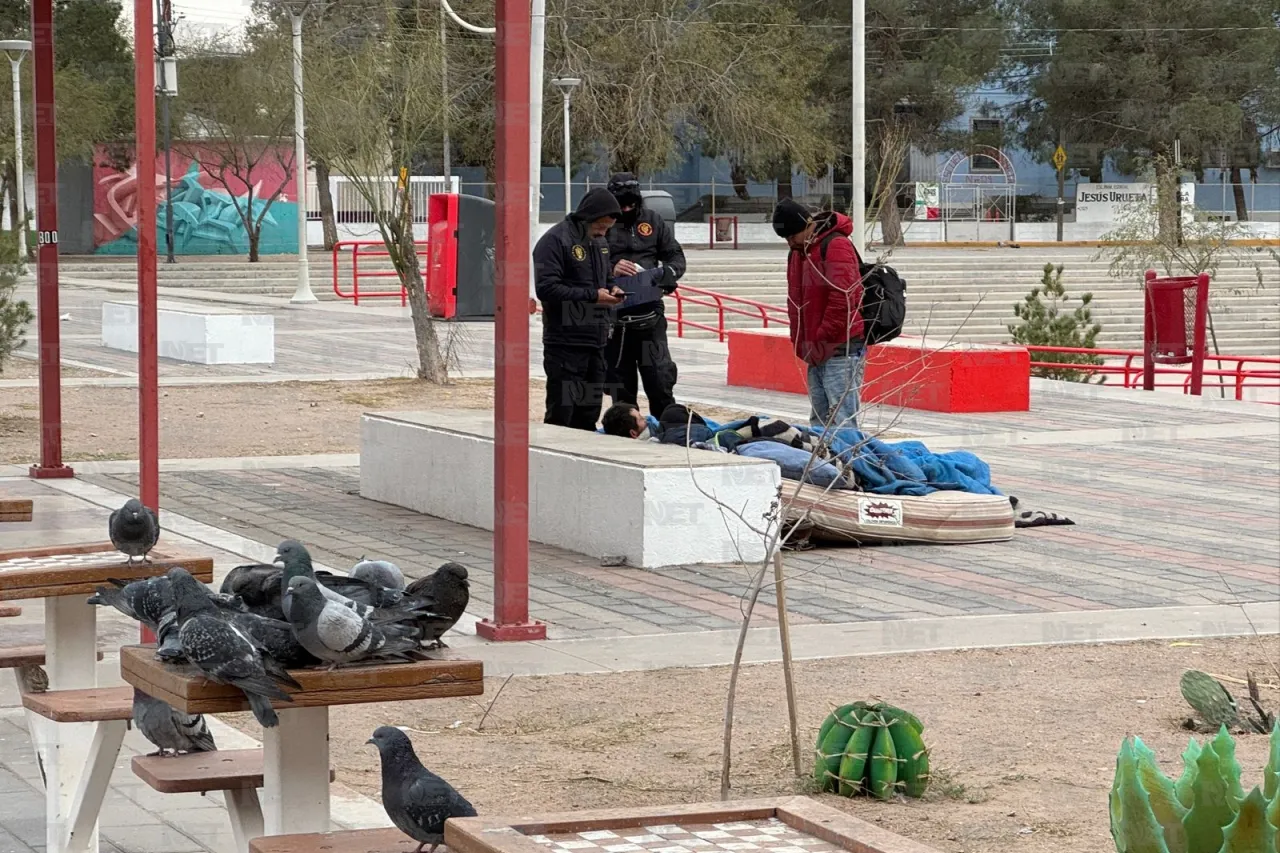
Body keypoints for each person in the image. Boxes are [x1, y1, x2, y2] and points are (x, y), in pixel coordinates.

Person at [534, 188, 627, 430]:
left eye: (608, 229)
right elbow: (546, 289)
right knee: (561, 414)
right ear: (588, 217)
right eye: (600, 226)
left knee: (588, 415)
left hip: (596, 344)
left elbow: (605, 279)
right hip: (564, 345)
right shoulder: (555, 241)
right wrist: (592, 296)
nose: (603, 233)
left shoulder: (600, 243)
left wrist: (613, 289)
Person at [771, 198, 866, 431]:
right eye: (786, 239)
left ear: (807, 226)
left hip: (840, 348)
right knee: (819, 421)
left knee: (842, 421)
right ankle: (823, 463)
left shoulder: (836, 245)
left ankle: (845, 464)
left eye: (793, 236)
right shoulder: (797, 253)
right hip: (815, 348)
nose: (790, 242)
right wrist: (801, 343)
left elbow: (843, 299)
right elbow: (795, 301)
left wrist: (822, 339)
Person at [603, 172, 686, 418]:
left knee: (660, 381)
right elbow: (586, 263)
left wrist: (665, 274)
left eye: (631, 205)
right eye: (621, 206)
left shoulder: (653, 220)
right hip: (615, 319)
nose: (626, 209)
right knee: (621, 387)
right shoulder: (601, 224)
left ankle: (668, 430)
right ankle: (626, 433)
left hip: (649, 317)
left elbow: (675, 256)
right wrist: (611, 268)